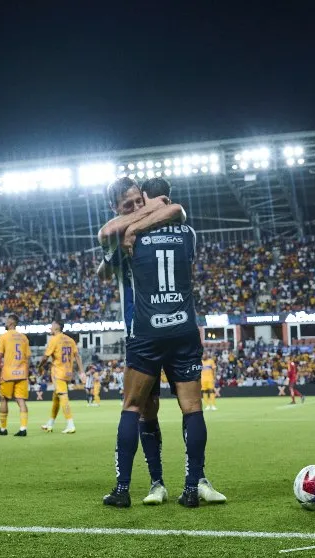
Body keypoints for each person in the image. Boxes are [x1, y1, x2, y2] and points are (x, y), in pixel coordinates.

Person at [99, 176, 225, 508]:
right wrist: (148, 215)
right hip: (173, 329)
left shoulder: (133, 236)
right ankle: (160, 483)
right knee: (156, 410)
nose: (138, 208)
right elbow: (105, 249)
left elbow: (174, 212)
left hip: (147, 333)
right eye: (129, 206)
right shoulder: (175, 232)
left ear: (150, 198)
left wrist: (136, 226)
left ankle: (188, 481)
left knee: (136, 408)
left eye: (142, 201)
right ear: (116, 209)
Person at [39, 320, 85, 434]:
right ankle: (50, 423)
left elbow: (45, 357)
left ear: (56, 327)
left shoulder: (54, 340)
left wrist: (39, 366)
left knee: (63, 396)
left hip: (58, 372)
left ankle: (70, 424)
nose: (50, 327)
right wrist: (81, 371)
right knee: (56, 397)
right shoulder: (70, 340)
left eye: (52, 325)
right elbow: (77, 356)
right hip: (68, 373)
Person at [0, 314, 31, 436]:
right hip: (22, 373)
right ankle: (23, 428)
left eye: (6, 321)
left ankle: (3, 429)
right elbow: (28, 358)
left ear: (11, 322)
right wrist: (26, 372)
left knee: (4, 399)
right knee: (21, 400)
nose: (5, 323)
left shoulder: (4, 337)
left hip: (8, 373)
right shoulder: (24, 338)